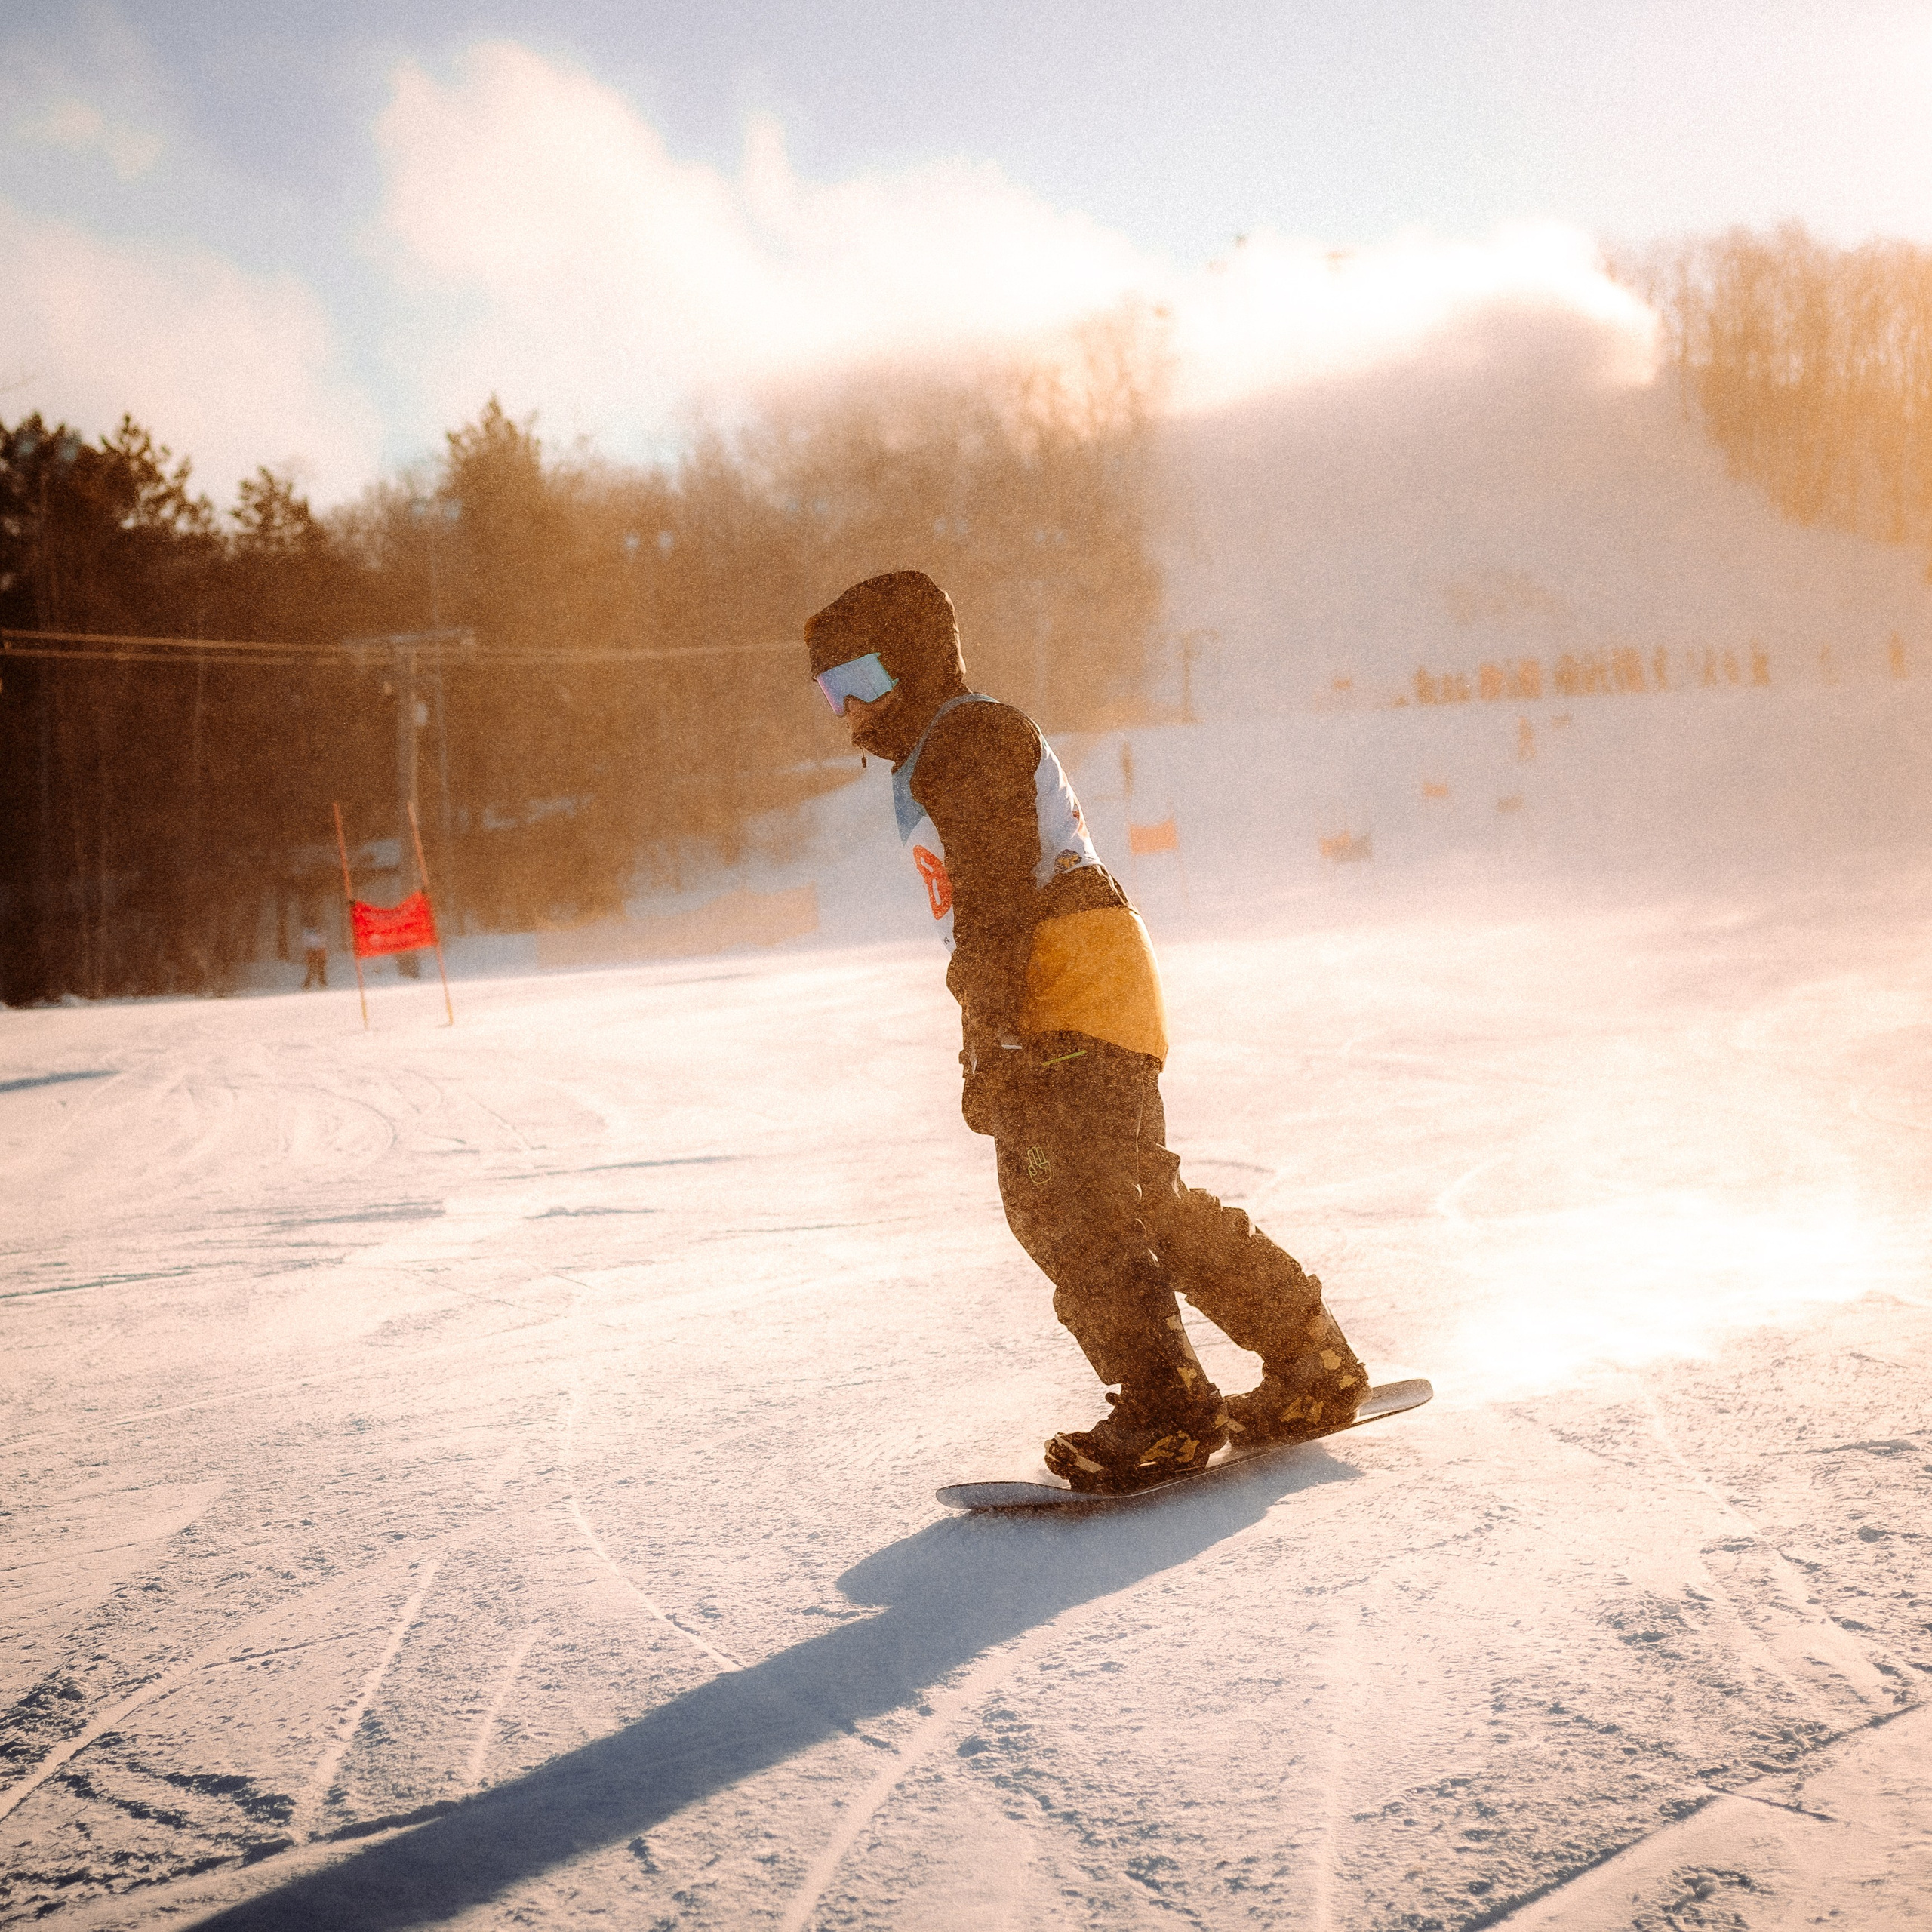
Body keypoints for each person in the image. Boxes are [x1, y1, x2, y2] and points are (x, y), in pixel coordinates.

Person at [803, 570, 1368, 1494]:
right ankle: (1309, 1359)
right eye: (830, 691)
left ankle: (1165, 1408)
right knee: (1133, 1196)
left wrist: (998, 1033)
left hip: (1064, 978)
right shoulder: (945, 746)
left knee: (1064, 1202)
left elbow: (990, 891)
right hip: (1090, 974)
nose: (848, 710)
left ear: (908, 663)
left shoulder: (967, 735)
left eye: (858, 677)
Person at [300, 923, 328, 990]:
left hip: (319, 951)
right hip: (312, 951)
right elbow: (306, 943)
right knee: (312, 968)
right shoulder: (307, 932)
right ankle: (307, 984)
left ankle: (322, 983)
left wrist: (322, 951)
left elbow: (323, 942)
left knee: (320, 968)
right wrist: (310, 952)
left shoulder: (320, 931)